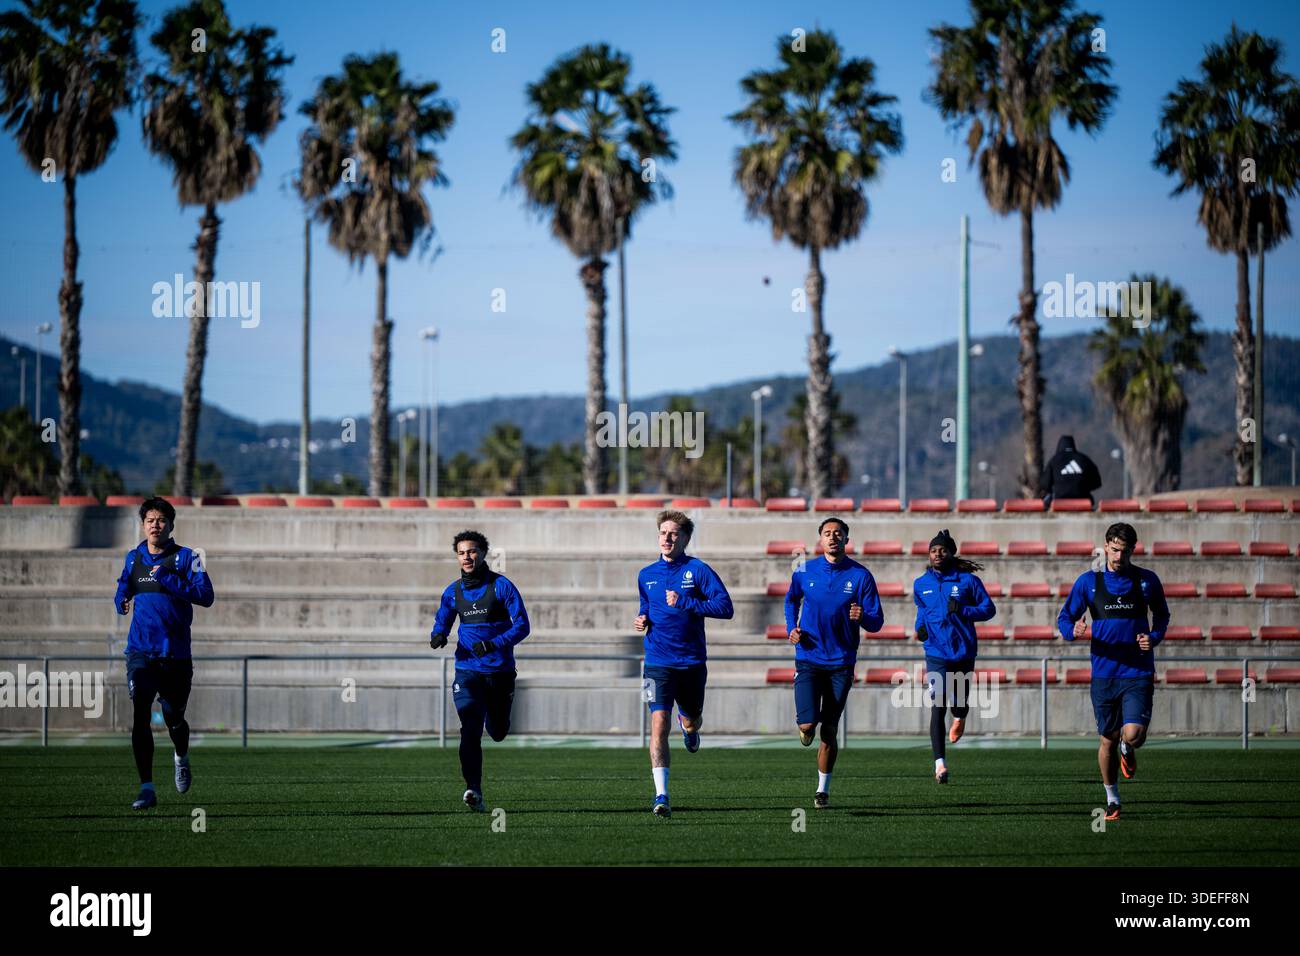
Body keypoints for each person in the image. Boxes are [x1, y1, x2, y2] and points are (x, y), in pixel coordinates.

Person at [1057, 522, 1170, 822]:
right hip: (1104, 673)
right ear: (1105, 546)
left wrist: (1154, 637)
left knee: (1133, 734)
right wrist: (1074, 629)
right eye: (1114, 549)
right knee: (1107, 738)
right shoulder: (1088, 583)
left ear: (1133, 550)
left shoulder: (1147, 581)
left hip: (1137, 670)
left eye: (1125, 551)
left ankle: (1127, 746)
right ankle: (1112, 798)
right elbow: (1065, 618)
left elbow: (1162, 615)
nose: (1119, 556)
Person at [113, 497, 215, 810]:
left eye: (160, 520)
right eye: (149, 520)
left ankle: (181, 756)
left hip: (176, 656)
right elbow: (123, 587)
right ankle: (146, 788)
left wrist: (168, 579)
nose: (155, 525)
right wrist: (121, 601)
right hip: (141, 652)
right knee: (140, 711)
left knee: (174, 719)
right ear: (143, 525)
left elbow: (206, 596)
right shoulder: (134, 558)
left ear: (170, 525)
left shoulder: (187, 558)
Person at [634, 510, 734, 818]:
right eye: (663, 532)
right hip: (657, 662)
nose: (667, 537)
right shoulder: (645, 574)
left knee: (691, 720)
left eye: (674, 533)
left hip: (691, 662)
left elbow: (725, 607)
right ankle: (661, 794)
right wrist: (643, 620)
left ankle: (689, 728)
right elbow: (646, 607)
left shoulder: (699, 570)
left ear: (686, 538)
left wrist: (686, 602)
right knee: (658, 724)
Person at [783, 517, 883, 808]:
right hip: (809, 657)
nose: (832, 537)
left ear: (846, 539)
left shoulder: (861, 576)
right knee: (808, 724)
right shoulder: (804, 570)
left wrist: (862, 616)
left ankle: (822, 790)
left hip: (841, 662)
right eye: (827, 533)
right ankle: (805, 728)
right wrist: (792, 627)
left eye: (838, 533)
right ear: (820, 539)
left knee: (829, 730)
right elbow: (791, 600)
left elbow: (877, 622)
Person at [429, 530, 531, 812]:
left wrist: (494, 644)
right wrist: (438, 634)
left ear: (484, 553)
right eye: (461, 552)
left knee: (497, 732)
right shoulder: (452, 592)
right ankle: (473, 789)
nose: (467, 557)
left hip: (499, 673)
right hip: (467, 671)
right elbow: (443, 620)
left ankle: (497, 720)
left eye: (472, 551)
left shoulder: (502, 586)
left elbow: (523, 625)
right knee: (469, 729)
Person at [912, 529, 996, 783]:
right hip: (936, 653)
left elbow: (988, 609)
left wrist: (962, 609)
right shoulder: (921, 584)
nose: (938, 554)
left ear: (951, 553)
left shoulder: (968, 582)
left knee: (958, 702)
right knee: (937, 704)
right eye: (933, 550)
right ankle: (940, 765)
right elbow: (921, 613)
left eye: (943, 550)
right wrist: (920, 629)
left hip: (962, 651)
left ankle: (960, 716)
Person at [1041, 435, 1102, 507]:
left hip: (1059, 500)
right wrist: (1082, 488)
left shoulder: (1054, 460)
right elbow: (1097, 482)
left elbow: (1044, 484)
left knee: (1046, 500)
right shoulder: (1084, 459)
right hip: (1083, 500)